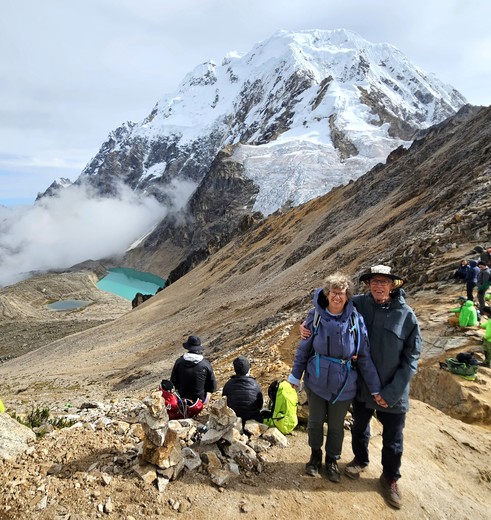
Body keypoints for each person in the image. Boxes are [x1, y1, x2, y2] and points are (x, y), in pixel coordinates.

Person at [300, 265, 422, 509]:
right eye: (374, 282)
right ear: (368, 284)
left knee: (393, 439)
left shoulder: (407, 316)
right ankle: (360, 459)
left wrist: (391, 392)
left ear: (393, 285)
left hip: (392, 391)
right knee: (359, 428)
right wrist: (305, 326)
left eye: (384, 282)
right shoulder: (359, 304)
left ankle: (390, 479)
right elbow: (326, 298)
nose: (378, 286)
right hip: (362, 385)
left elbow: (411, 359)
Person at [289, 272, 382, 483]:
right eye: (333, 292)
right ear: (327, 294)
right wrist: (295, 377)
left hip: (344, 384)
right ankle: (314, 457)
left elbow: (364, 356)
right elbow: (303, 350)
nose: (337, 297)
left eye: (341, 293)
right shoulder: (315, 316)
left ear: (347, 295)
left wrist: (375, 388)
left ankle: (332, 460)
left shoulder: (356, 321)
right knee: (314, 422)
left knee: (336, 425)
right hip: (316, 381)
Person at [170, 335, 217, 405]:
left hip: (181, 399)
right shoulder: (205, 364)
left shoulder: (179, 362)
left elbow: (173, 383)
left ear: (188, 347)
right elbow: (213, 387)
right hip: (200, 401)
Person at [222, 355, 264, 428]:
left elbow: (224, 401)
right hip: (252, 418)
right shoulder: (255, 384)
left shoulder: (228, 384)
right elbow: (260, 404)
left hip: (234, 418)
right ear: (248, 369)